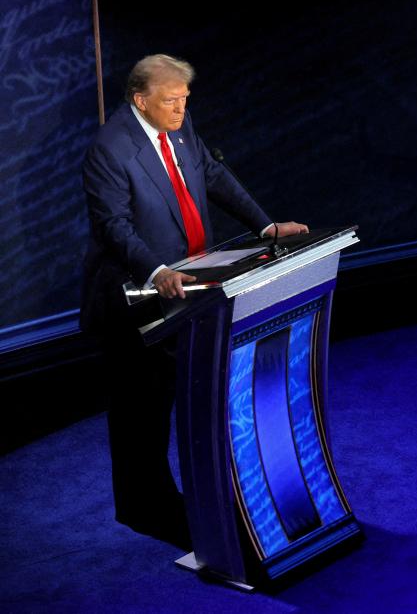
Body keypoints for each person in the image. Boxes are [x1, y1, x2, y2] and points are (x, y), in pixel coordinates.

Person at [81, 54, 308, 550]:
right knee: (142, 408)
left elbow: (213, 175)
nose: (181, 109)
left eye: (185, 100)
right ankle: (144, 507)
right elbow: (113, 226)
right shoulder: (110, 149)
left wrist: (265, 226)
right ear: (141, 101)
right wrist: (157, 270)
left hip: (192, 292)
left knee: (179, 393)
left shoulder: (180, 126)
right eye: (171, 101)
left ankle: (185, 501)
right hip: (136, 298)